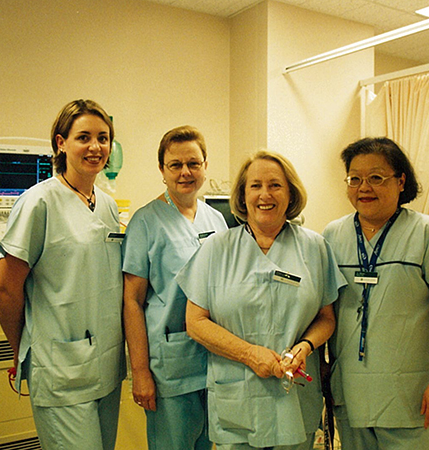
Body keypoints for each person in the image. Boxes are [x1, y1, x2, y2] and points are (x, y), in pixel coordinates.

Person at [176, 149, 346, 449]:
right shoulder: (217, 248)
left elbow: (326, 318)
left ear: (290, 193)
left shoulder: (314, 247)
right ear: (243, 195)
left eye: (275, 185)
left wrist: (305, 347)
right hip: (236, 397)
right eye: (255, 186)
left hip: (294, 396)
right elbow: (195, 322)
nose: (264, 194)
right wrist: (248, 354)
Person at [0, 99, 127, 450]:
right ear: (60, 143)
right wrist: (20, 348)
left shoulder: (109, 205)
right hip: (61, 370)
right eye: (84, 137)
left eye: (103, 138)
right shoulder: (38, 202)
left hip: (105, 366)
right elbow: (5, 289)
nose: (95, 147)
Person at [122, 125, 228, 450]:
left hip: (216, 363)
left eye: (194, 163)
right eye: (176, 165)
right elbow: (132, 301)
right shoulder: (146, 222)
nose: (185, 172)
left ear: (205, 166)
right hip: (171, 368)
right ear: (162, 170)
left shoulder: (217, 221)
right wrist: (140, 372)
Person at [323, 137, 429, 450]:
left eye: (376, 178)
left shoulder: (423, 233)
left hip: (409, 392)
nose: (364, 187)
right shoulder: (332, 235)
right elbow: (324, 308)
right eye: (355, 178)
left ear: (401, 182)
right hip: (350, 387)